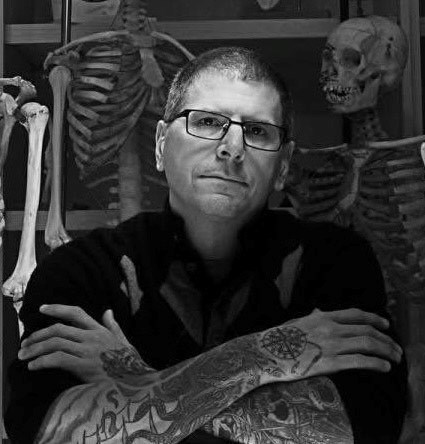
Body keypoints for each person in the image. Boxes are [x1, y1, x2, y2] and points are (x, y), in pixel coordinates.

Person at [5, 46, 407, 444]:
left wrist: (136, 382)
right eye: (208, 122)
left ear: (283, 165)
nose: (232, 148)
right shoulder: (84, 269)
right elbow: (42, 429)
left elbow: (365, 427)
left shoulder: (335, 263)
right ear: (161, 144)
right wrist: (264, 354)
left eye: (257, 131)